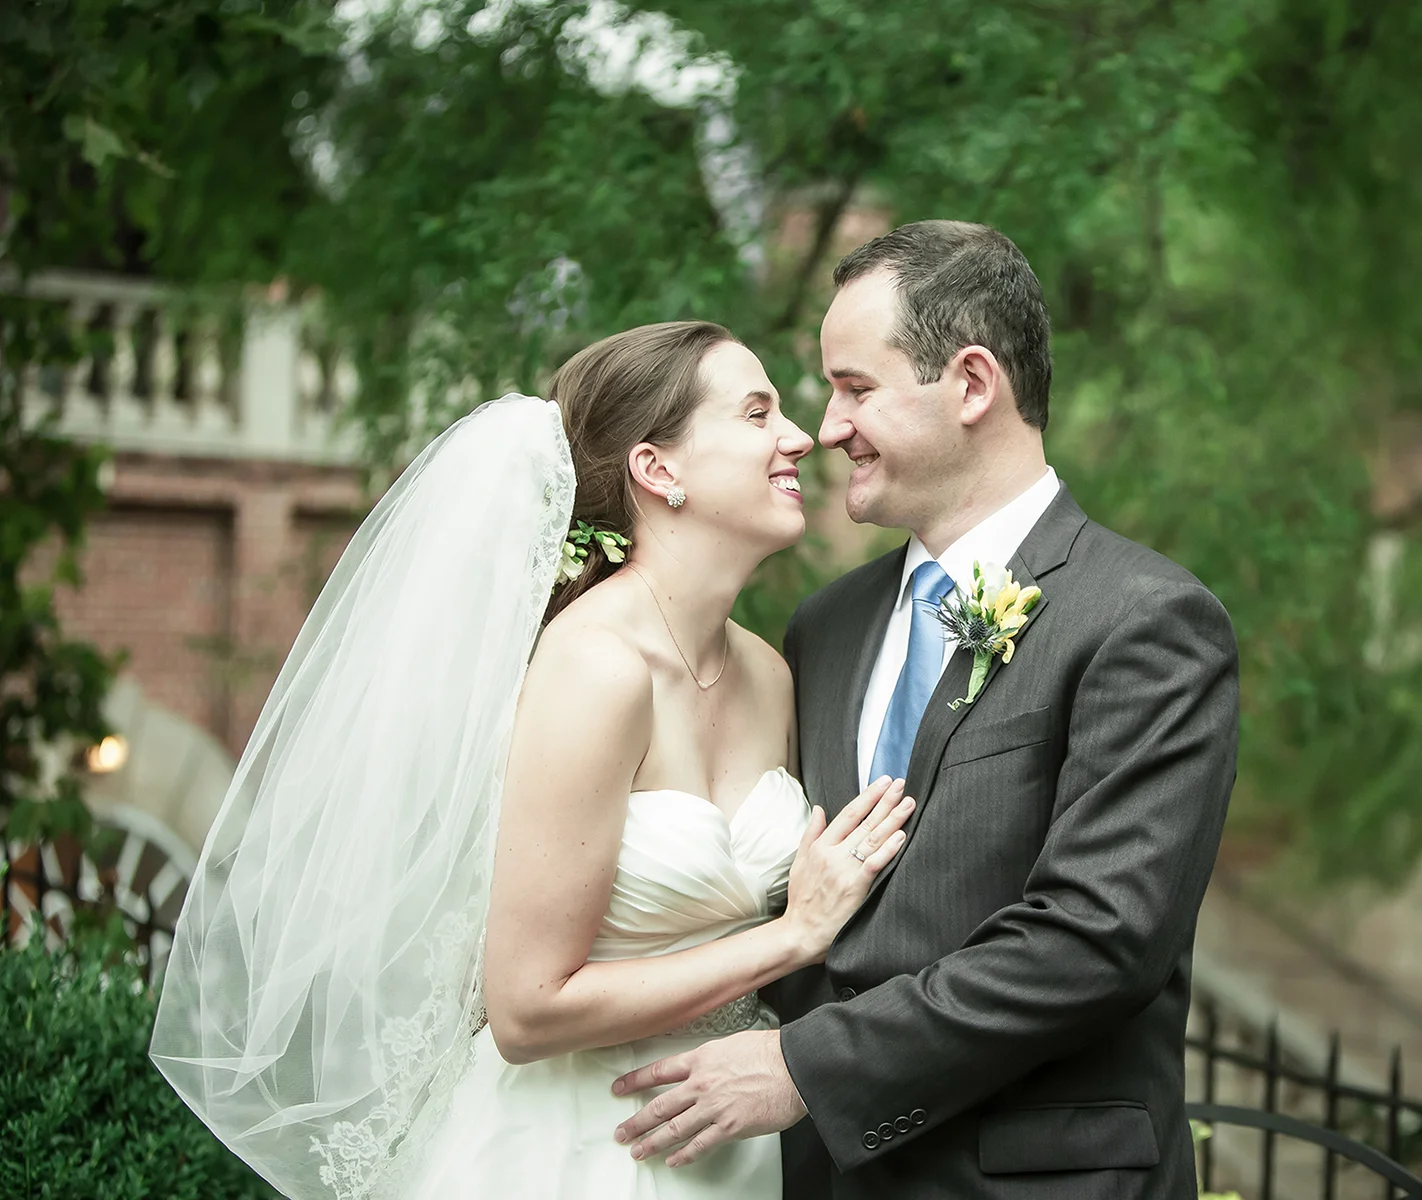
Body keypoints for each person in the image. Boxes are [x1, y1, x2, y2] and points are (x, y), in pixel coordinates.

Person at [151, 321, 913, 1200]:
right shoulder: (594, 668)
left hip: (729, 1147)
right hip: (577, 1145)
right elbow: (525, 1008)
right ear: (657, 470)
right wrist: (792, 936)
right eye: (755, 413)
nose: (797, 436)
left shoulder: (772, 674)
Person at [613, 221, 1240, 1199]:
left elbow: (1097, 938)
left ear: (973, 385)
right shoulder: (824, 628)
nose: (825, 427)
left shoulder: (1147, 622)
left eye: (855, 388)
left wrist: (807, 1067)